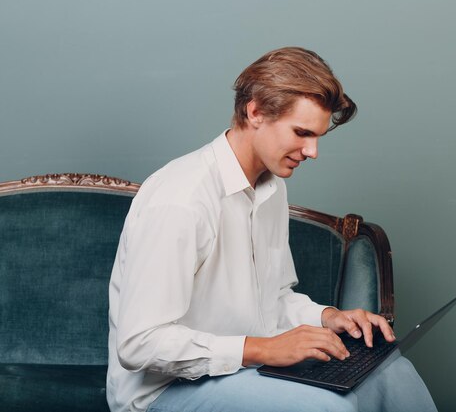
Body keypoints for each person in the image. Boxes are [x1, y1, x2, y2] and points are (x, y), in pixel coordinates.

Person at [107, 47, 437, 412]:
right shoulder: (181, 199)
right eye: (301, 132)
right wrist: (263, 349)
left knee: (391, 372)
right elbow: (140, 343)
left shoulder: (271, 187)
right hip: (163, 392)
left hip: (244, 372)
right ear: (255, 112)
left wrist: (329, 318)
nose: (312, 151)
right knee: (328, 407)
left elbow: (273, 301)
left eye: (318, 137)